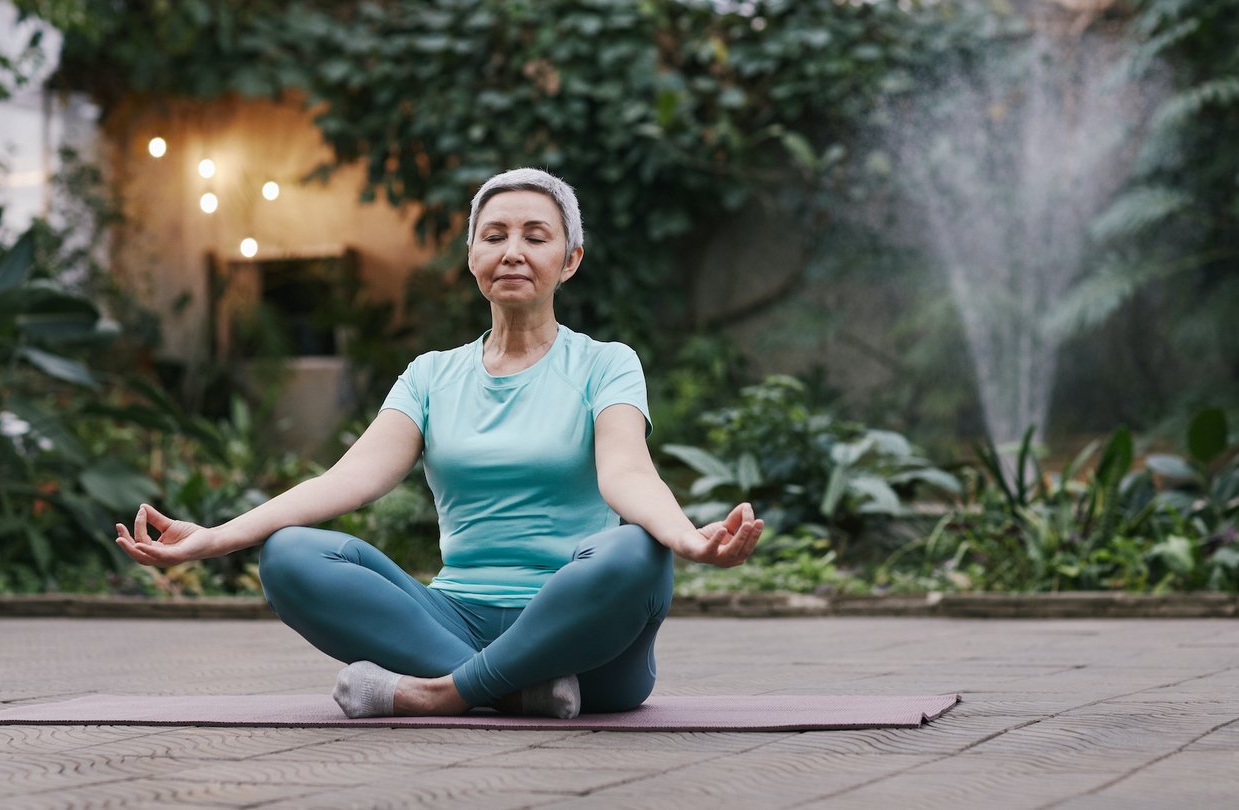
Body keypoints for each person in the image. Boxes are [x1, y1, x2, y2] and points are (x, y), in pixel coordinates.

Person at [114, 168, 763, 719]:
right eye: (495, 235)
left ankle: (438, 694)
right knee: (288, 555)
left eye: (536, 237)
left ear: (570, 261)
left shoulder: (606, 364)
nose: (513, 251)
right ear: (472, 256)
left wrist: (685, 538)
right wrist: (217, 537)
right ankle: (515, 690)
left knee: (636, 552)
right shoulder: (431, 375)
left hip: (586, 643)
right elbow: (348, 480)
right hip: (450, 619)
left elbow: (627, 474)